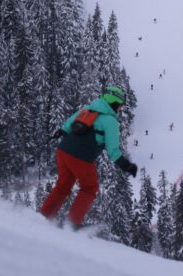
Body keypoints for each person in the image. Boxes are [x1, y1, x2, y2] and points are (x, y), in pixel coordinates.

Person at [40, 86, 137, 227]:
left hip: (63, 151)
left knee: (63, 186)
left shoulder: (87, 109)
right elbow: (113, 149)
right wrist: (126, 165)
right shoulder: (110, 121)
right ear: (115, 103)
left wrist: (60, 133)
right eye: (120, 105)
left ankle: (44, 216)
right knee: (89, 188)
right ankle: (71, 225)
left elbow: (67, 126)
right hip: (81, 158)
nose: (120, 109)